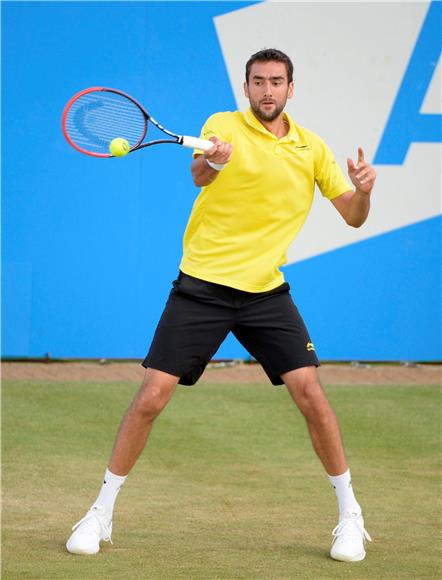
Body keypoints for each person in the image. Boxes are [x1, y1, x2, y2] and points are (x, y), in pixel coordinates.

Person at [66, 48, 376, 562]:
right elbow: (199, 175)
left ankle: (350, 516)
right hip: (202, 287)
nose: (267, 91)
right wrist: (212, 159)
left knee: (311, 395)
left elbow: (354, 217)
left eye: (277, 82)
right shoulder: (223, 125)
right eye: (258, 82)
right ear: (247, 86)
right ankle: (100, 512)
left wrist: (363, 192)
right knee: (151, 397)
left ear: (291, 89)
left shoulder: (312, 148)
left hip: (265, 293)